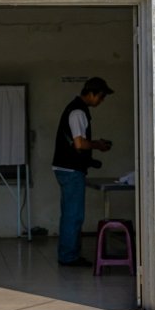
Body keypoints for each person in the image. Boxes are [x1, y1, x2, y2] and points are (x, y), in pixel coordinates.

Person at [52, 77, 113, 266]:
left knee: (69, 213)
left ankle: (67, 254)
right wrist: (98, 145)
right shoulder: (78, 111)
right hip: (71, 170)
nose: (101, 102)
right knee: (74, 215)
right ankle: (69, 257)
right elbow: (79, 143)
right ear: (92, 93)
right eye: (101, 97)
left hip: (65, 168)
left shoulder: (76, 109)